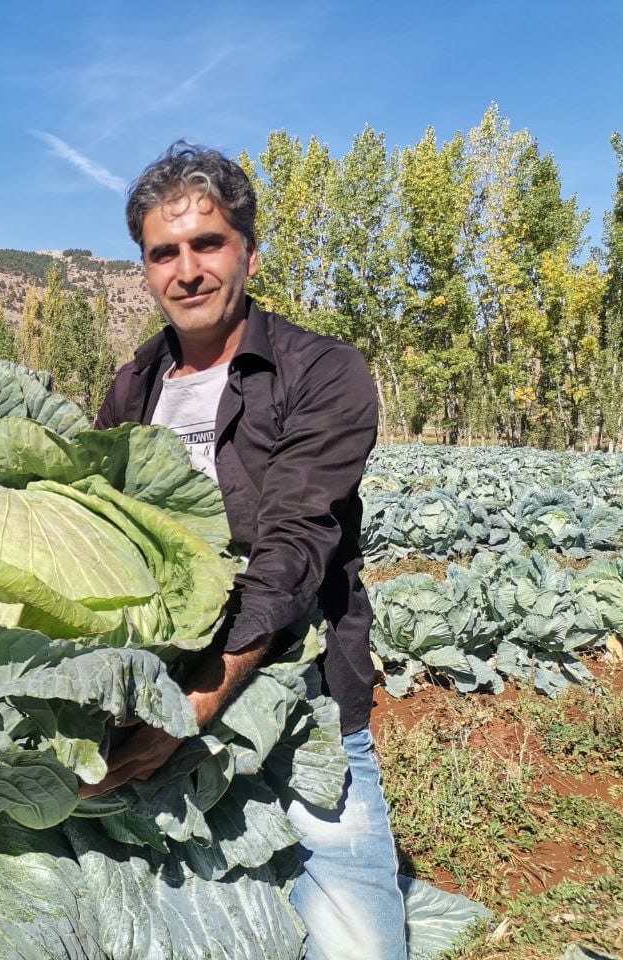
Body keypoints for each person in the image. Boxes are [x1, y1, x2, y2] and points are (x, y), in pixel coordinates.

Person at [88, 142, 407, 960]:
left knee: (359, 952)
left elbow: (296, 544)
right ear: (147, 269)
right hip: (155, 690)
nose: (187, 269)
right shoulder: (131, 390)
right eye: (164, 252)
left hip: (301, 700)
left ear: (249, 253)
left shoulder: (321, 372)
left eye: (208, 244)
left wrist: (198, 701)